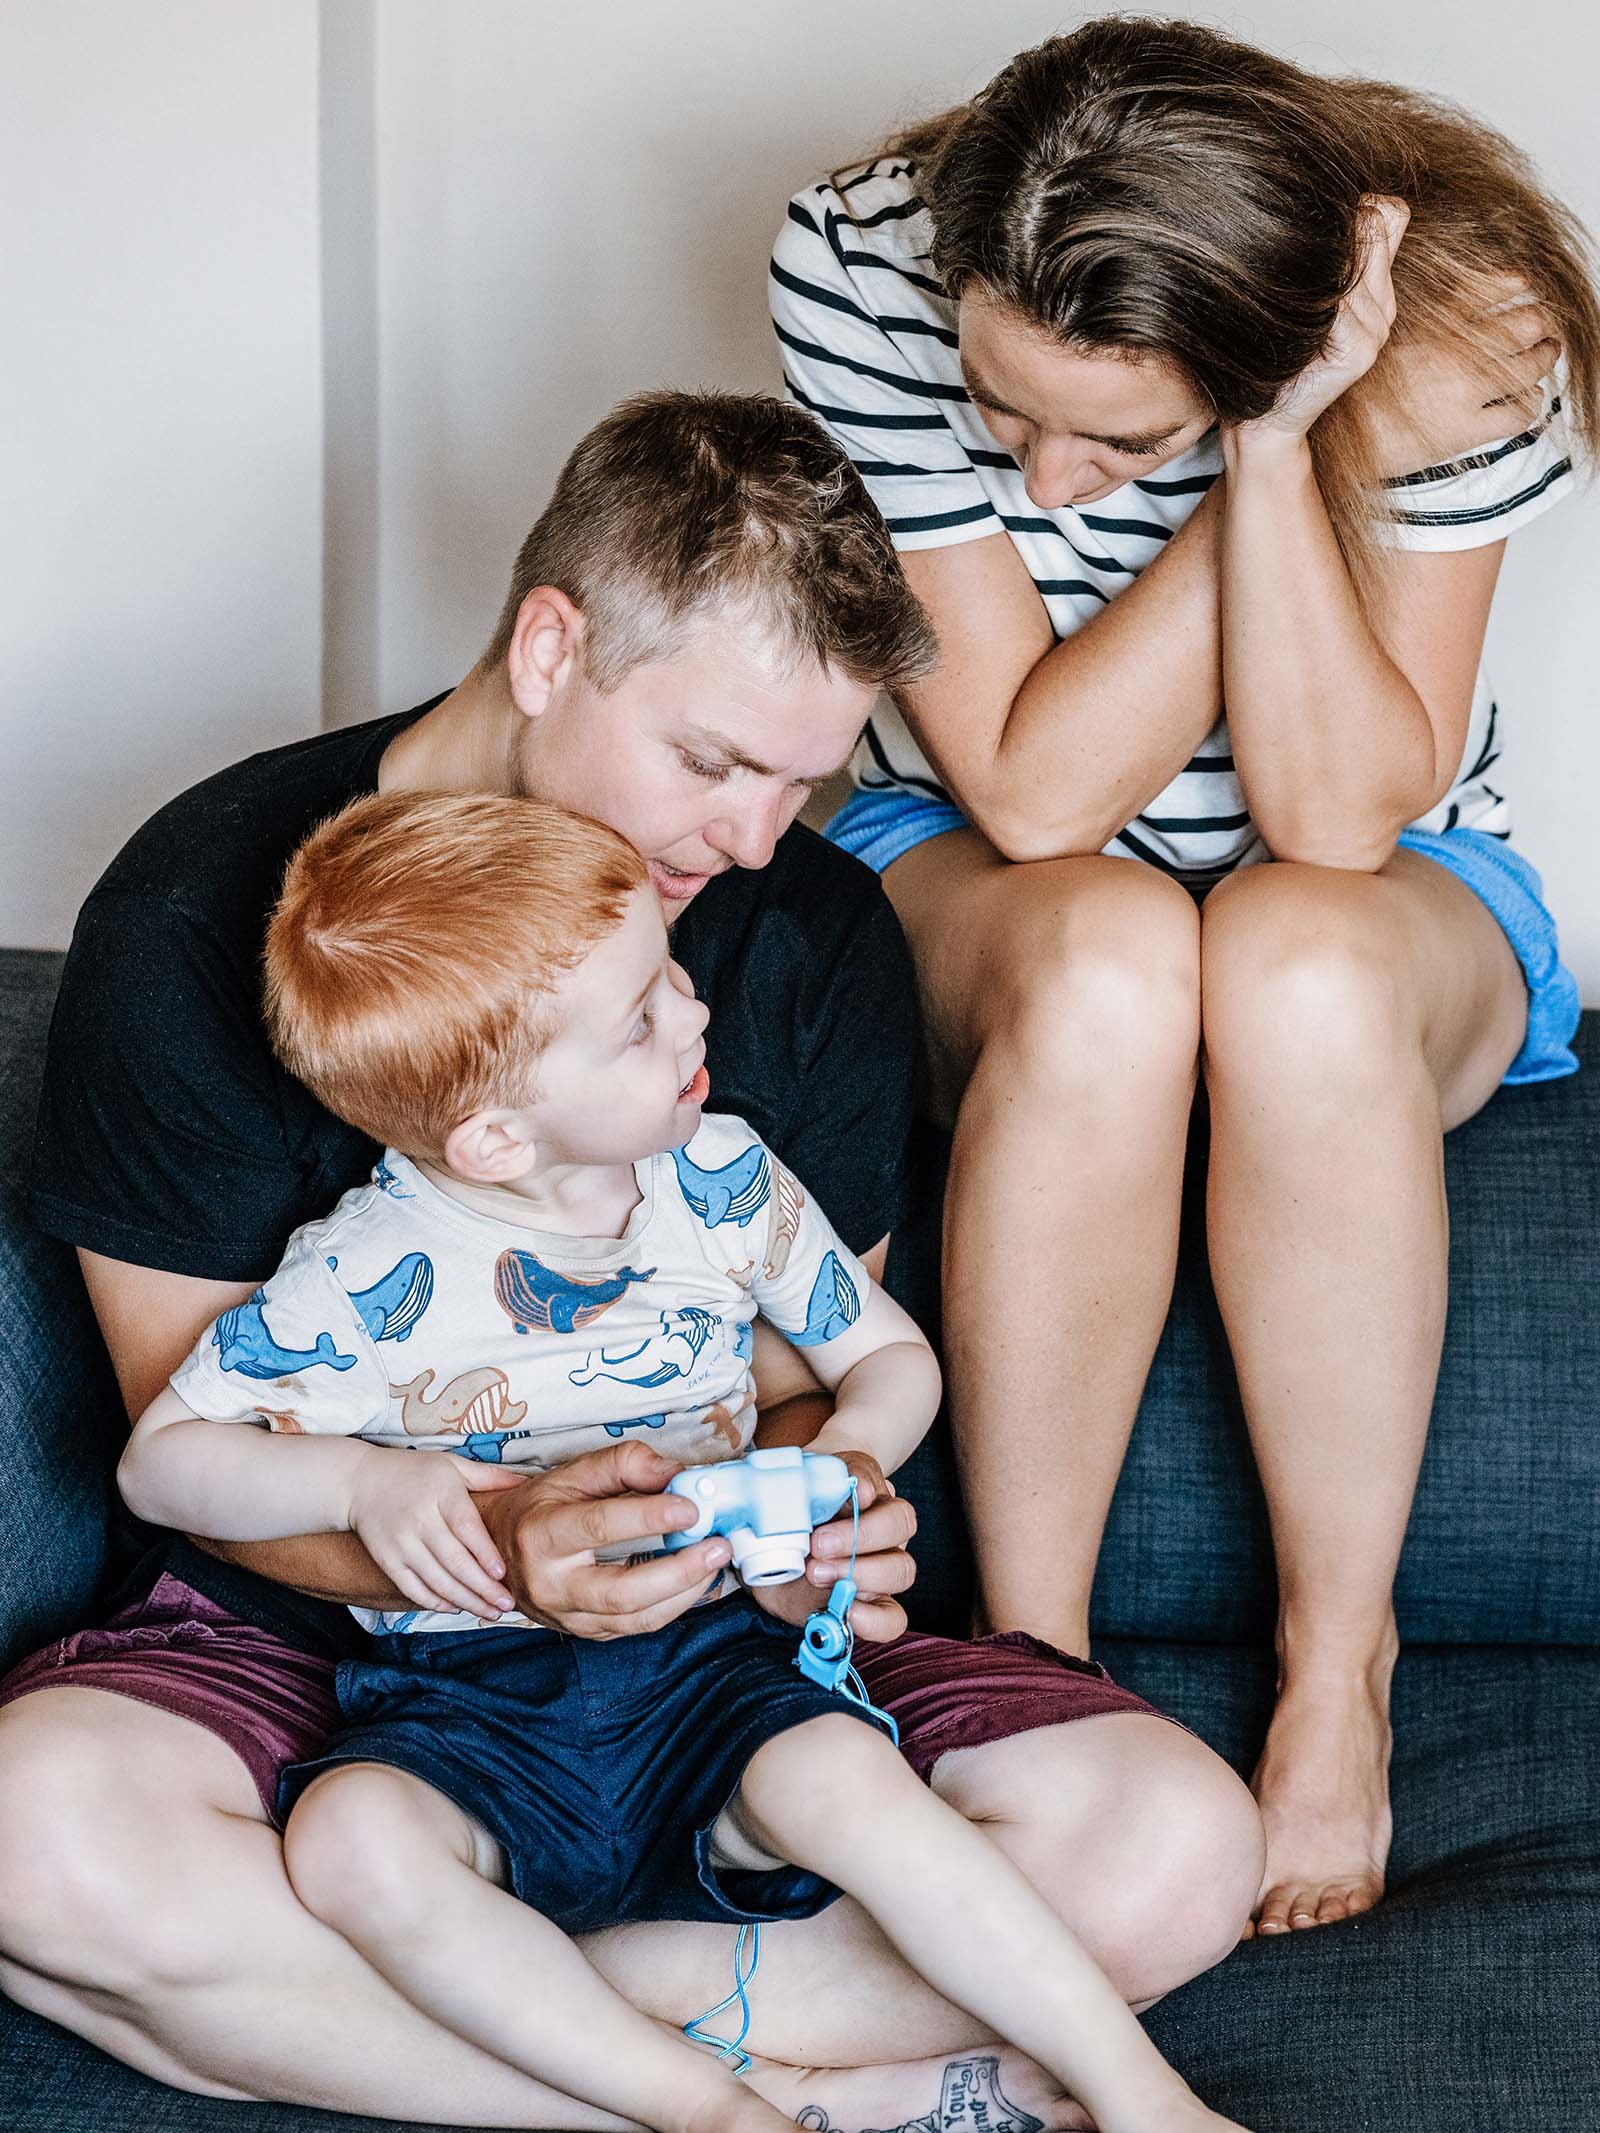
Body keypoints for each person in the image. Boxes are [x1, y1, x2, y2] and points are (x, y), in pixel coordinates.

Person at [0, 390, 1263, 2131]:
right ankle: (756, 2095)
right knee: (35, 1839)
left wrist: (820, 1504)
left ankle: (469, 2012)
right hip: (341, 1635)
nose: (750, 841)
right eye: (714, 761)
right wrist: (500, 1546)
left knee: (1180, 1846)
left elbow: (805, 1371)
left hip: (700, 1639)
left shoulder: (806, 932)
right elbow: (198, 1439)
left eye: (805, 778)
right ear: (549, 646)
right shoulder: (204, 917)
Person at [770, 16, 1595, 1940]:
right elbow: (1036, 789)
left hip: (1388, 886)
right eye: (1003, 415)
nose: (1049, 490)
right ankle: (1028, 1670)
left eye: (1119, 436)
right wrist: (1242, 464)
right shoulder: (863, 251)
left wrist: (1280, 440)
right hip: (984, 874)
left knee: (1291, 957)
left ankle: (1339, 1671)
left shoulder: (1467, 325)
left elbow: (1336, 813)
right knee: (1118, 952)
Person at [118, 787, 1250, 2133]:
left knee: (845, 1782)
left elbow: (890, 1360)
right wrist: (363, 1484)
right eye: (641, 1014)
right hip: (461, 1696)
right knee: (348, 1845)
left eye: (671, 968)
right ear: (493, 1136)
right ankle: (706, 2106)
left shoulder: (719, 1179)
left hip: (719, 1659)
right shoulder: (358, 1272)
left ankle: (1145, 2096)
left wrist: (844, 1461)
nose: (695, 1013)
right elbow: (162, 1462)